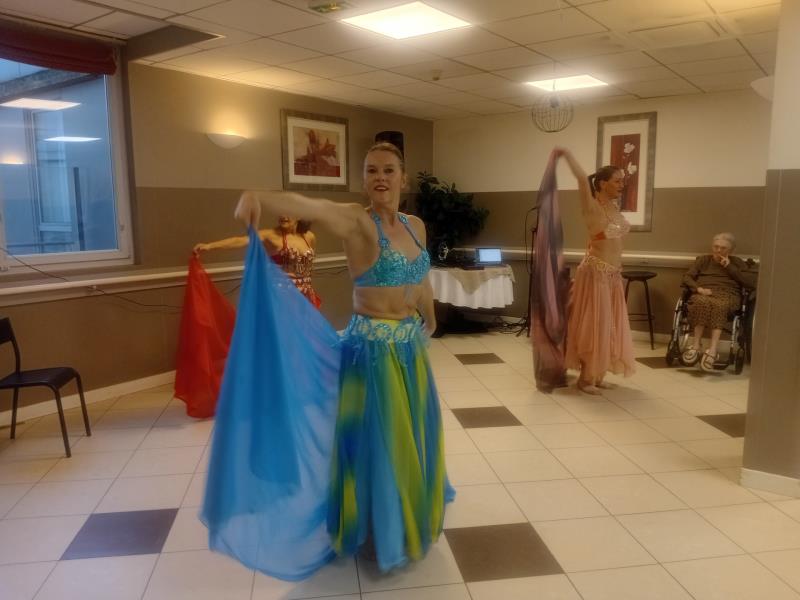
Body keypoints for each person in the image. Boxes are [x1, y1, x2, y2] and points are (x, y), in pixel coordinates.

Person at [227, 141, 452, 574]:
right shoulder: (357, 221)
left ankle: (403, 518)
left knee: (409, 436)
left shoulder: (415, 226)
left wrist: (430, 315)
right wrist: (258, 196)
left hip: (408, 347)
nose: (380, 178)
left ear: (404, 177)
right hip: (372, 352)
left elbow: (421, 278)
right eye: (371, 171)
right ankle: (378, 530)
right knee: (381, 443)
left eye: (388, 170)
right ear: (363, 179)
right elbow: (310, 204)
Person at [557, 148, 636, 394]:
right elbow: (583, 179)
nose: (622, 185)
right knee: (595, 326)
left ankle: (598, 374)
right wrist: (566, 154)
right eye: (617, 181)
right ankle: (585, 379)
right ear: (602, 183)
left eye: (622, 181)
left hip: (612, 274)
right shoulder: (591, 206)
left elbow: (611, 238)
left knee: (609, 326)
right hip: (595, 274)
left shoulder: (613, 208)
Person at [194, 216, 321, 308]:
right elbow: (240, 240)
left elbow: (308, 265)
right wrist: (209, 246)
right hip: (281, 296)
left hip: (305, 295)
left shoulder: (309, 236)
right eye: (280, 212)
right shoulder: (270, 235)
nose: (283, 216)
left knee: (305, 331)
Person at [681, 232, 756, 371]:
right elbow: (687, 277)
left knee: (719, 305)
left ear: (731, 250)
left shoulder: (737, 263)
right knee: (701, 302)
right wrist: (698, 289)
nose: (718, 250)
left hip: (728, 294)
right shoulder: (704, 260)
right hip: (704, 292)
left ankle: (713, 350)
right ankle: (696, 346)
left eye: (723, 248)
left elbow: (749, 283)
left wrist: (730, 267)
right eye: (716, 247)